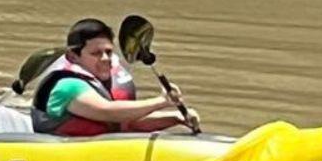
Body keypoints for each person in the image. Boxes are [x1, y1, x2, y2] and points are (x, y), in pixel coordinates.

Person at [31, 18, 198, 136]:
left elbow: (128, 122)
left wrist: (176, 118)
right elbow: (107, 112)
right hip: (61, 158)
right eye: (96, 53)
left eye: (108, 52)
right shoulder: (67, 85)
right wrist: (162, 101)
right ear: (73, 57)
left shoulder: (108, 81)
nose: (105, 59)